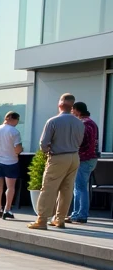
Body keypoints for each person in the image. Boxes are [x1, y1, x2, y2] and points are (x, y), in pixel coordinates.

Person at [29, 93, 85, 231]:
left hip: (58, 157)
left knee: (48, 188)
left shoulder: (53, 121)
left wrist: (47, 152)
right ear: (72, 106)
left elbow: (43, 143)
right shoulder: (79, 123)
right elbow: (80, 141)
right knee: (67, 189)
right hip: (74, 157)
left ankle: (42, 220)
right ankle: (60, 219)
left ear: (60, 104)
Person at [0, 111, 23, 220]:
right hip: (11, 161)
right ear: (12, 119)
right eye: (17, 120)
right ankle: (7, 209)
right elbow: (17, 149)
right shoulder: (14, 131)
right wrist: (20, 150)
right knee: (10, 186)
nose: (17, 123)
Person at [68, 102, 100, 224]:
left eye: (72, 110)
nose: (71, 112)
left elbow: (82, 143)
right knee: (80, 187)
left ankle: (80, 215)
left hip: (84, 159)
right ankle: (76, 214)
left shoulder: (83, 124)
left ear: (77, 110)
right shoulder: (92, 123)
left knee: (80, 188)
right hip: (91, 159)